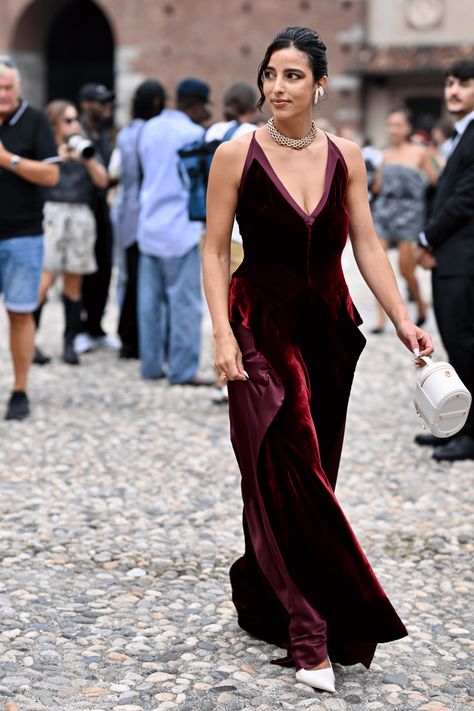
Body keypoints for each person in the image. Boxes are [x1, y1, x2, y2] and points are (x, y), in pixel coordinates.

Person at [203, 27, 433, 693]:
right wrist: (221, 332)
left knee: (307, 476)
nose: (277, 87)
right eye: (270, 74)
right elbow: (215, 249)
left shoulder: (347, 156)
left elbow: (365, 243)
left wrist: (402, 319)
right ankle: (310, 631)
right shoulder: (235, 154)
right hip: (258, 326)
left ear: (319, 84)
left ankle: (262, 590)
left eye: (293, 76)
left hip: (331, 332)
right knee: (284, 467)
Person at [415, 59, 474, 462]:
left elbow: (466, 198)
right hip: (452, 257)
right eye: (449, 83)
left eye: (463, 84)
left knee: (467, 346)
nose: (452, 90)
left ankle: (470, 436)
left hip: (465, 259)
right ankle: (458, 427)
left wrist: (425, 237)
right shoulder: (461, 134)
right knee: (457, 344)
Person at [136, 78, 211, 384]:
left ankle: (151, 366)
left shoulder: (147, 128)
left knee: (149, 305)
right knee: (184, 305)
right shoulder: (194, 133)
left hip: (149, 225)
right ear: (196, 105)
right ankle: (181, 371)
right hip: (180, 227)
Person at [0, 56, 60, 420]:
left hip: (22, 236)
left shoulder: (35, 121)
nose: (3, 95)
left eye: (8, 88)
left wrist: (9, 160)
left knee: (20, 314)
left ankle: (19, 389)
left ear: (18, 89)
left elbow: (52, 176)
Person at [33, 100, 108, 365]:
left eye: (75, 119)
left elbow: (103, 180)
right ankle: (31, 342)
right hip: (51, 214)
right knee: (44, 281)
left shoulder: (85, 145)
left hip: (80, 215)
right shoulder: (42, 144)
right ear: (54, 121)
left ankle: (70, 343)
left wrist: (85, 160)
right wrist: (57, 157)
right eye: (68, 120)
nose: (74, 125)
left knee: (73, 285)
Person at [205, 82, 258, 404]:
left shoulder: (211, 133)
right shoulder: (253, 135)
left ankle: (220, 375)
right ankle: (232, 376)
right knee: (239, 307)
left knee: (218, 308)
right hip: (240, 233)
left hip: (209, 227)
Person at [111, 80, 166, 360]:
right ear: (157, 104)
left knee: (129, 279)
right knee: (148, 283)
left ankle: (127, 339)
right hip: (148, 212)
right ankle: (146, 341)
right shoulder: (152, 133)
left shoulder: (126, 133)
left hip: (127, 211)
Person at [370, 108, 438, 333]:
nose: (392, 129)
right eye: (390, 124)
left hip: (410, 212)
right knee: (377, 266)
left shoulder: (419, 152)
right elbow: (378, 186)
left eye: (398, 125)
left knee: (405, 269)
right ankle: (381, 319)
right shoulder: (385, 154)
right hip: (385, 210)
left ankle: (420, 304)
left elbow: (435, 181)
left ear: (408, 128)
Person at [76, 82, 119, 353]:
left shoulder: (102, 134)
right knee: (82, 272)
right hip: (81, 210)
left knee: (103, 270)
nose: (107, 107)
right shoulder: (77, 133)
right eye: (101, 102)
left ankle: (96, 327)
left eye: (108, 102)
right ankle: (79, 329)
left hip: (101, 212)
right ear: (86, 104)